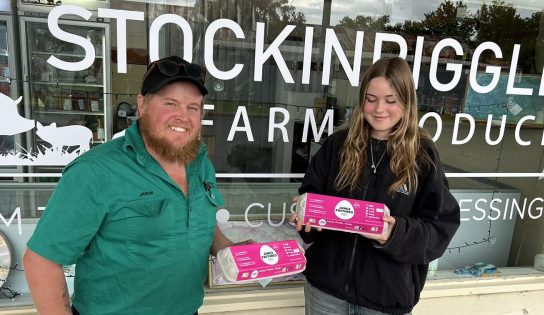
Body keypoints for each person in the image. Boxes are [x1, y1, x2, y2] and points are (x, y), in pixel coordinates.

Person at [23, 55, 242, 315]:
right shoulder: (95, 172)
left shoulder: (200, 163)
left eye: (193, 107)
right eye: (170, 103)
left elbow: (195, 216)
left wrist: (227, 249)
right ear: (142, 105)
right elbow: (41, 262)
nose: (183, 116)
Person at [291, 57, 461, 315]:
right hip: (325, 293)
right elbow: (311, 195)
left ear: (406, 101)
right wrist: (308, 215)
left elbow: (440, 228)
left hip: (385, 299)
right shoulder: (338, 146)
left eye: (391, 100)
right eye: (371, 99)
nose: (380, 108)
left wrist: (393, 233)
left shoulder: (423, 156)